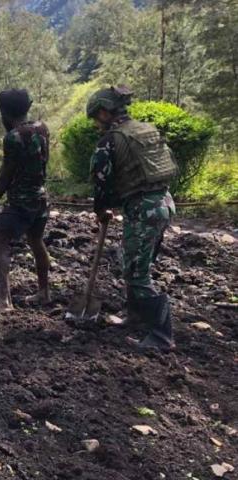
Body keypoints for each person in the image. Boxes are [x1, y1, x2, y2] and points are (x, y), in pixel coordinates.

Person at [87, 86, 177, 350]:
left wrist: (101, 209)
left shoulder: (110, 140)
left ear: (104, 112)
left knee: (137, 273)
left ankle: (162, 336)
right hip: (162, 202)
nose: (95, 124)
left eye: (95, 117)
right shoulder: (145, 130)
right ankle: (136, 315)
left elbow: (101, 180)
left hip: (143, 209)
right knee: (132, 261)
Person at [0, 89, 51, 312]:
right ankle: (44, 293)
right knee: (36, 241)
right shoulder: (42, 128)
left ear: (5, 112)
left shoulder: (13, 138)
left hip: (21, 201)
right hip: (41, 196)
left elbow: (6, 174)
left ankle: (4, 302)